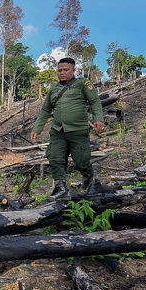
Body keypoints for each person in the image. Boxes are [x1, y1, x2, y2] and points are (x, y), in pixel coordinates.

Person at [29, 57, 105, 200]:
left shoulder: (83, 84)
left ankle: (88, 179)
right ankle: (61, 189)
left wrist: (99, 119)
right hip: (58, 131)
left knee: (81, 160)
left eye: (65, 70)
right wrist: (36, 129)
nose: (62, 73)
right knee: (55, 158)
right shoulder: (54, 89)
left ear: (74, 70)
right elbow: (45, 111)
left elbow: (94, 101)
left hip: (78, 131)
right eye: (59, 70)